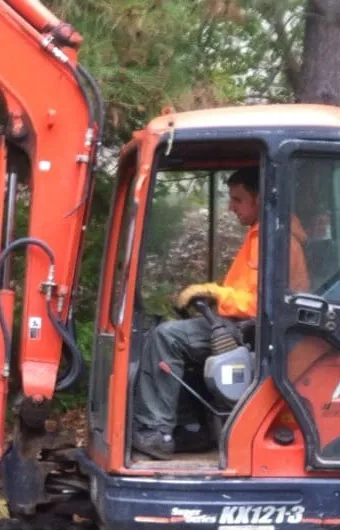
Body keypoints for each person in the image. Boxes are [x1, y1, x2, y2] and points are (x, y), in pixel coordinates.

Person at [131, 167, 309, 460]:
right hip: (246, 324)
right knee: (172, 332)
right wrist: (213, 296)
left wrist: (214, 293)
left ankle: (155, 431)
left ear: (260, 198)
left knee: (166, 337)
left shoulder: (276, 240)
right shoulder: (263, 234)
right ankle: (191, 428)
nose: (230, 207)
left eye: (238, 199)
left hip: (256, 330)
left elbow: (264, 303)